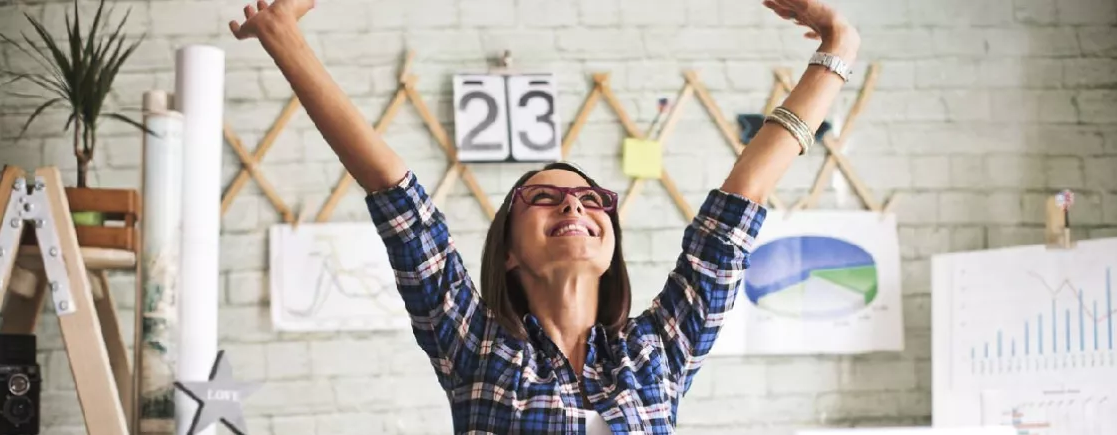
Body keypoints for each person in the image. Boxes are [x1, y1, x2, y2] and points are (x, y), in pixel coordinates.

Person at [230, 0, 860, 432]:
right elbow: (395, 194)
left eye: (592, 200)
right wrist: (283, 37)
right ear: (508, 249)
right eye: (546, 197)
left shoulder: (656, 353)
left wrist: (839, 45)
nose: (574, 205)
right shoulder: (476, 348)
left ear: (611, 241)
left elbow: (739, 203)